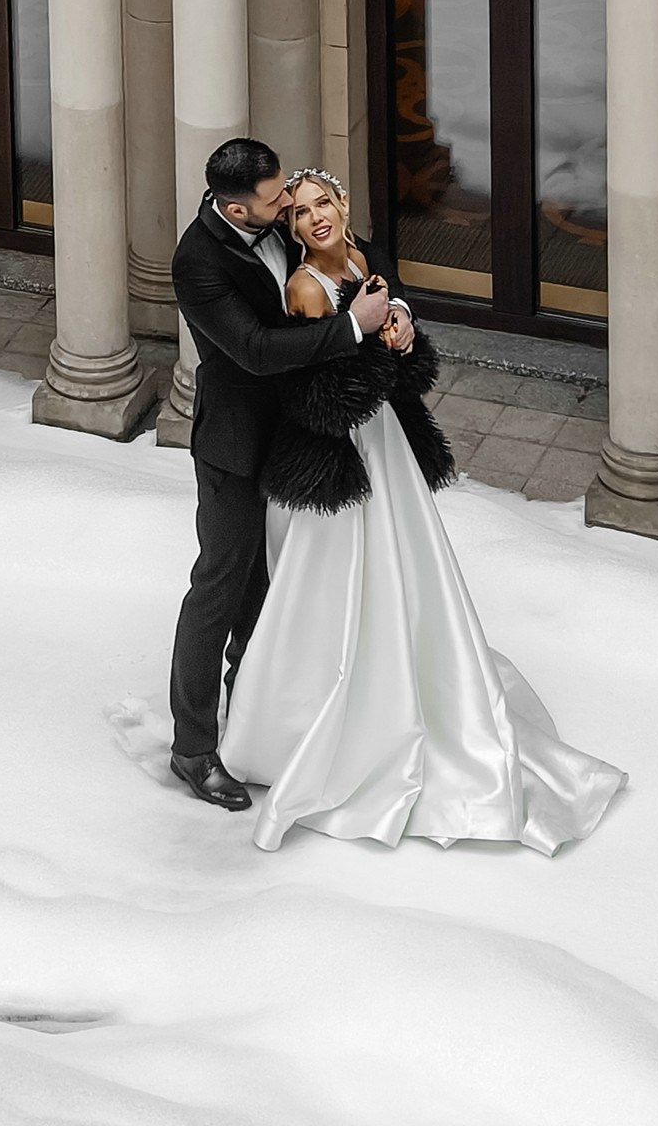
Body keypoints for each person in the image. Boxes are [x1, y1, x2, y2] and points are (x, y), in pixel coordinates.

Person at [217, 169, 625, 854]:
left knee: (407, 570)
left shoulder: (363, 260)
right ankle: (317, 725)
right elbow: (316, 400)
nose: (314, 220)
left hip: (383, 441)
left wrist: (400, 337)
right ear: (287, 231)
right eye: (299, 217)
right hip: (338, 456)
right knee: (338, 584)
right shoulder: (305, 289)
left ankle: (416, 685)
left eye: (322, 205)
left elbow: (389, 352)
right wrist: (370, 343)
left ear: (342, 203)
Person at [166, 138, 392, 810]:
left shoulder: (277, 222)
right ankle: (193, 750)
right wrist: (352, 328)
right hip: (236, 446)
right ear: (234, 205)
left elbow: (347, 258)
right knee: (221, 587)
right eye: (275, 201)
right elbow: (257, 351)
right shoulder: (196, 262)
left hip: (301, 437)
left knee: (276, 592)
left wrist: (391, 312)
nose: (288, 205)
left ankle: (257, 725)